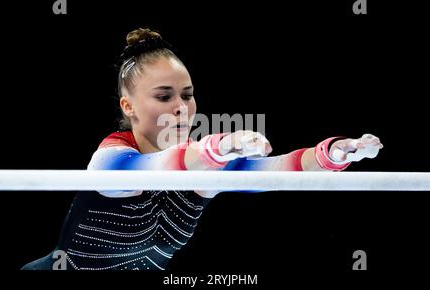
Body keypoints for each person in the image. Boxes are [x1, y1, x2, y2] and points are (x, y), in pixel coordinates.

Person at [21, 28, 383, 270]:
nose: (182, 107)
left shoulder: (205, 167)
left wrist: (333, 154)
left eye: (187, 95)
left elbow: (276, 173)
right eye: (164, 96)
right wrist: (221, 145)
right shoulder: (110, 160)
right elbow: (158, 167)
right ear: (128, 106)